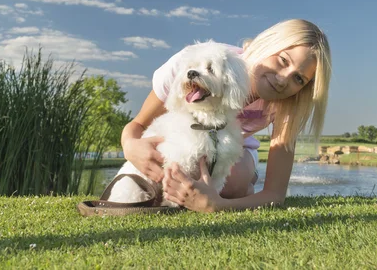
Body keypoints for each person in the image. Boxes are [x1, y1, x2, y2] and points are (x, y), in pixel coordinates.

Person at [120, 18, 332, 212]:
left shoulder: (287, 106)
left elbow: (275, 195)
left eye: (299, 79)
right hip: (182, 138)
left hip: (233, 146)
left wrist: (217, 205)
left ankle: (244, 183)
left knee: (234, 180)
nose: (283, 79)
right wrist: (130, 146)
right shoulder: (195, 62)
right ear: (266, 44)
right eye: (283, 61)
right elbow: (139, 123)